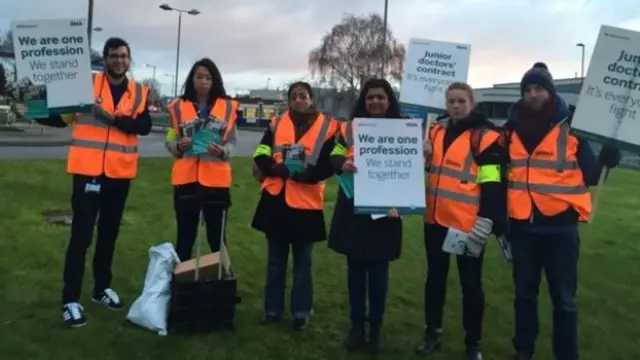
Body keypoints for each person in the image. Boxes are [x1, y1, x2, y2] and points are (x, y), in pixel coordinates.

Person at [33, 37, 152, 327]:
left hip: (119, 175)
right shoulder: (86, 84)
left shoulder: (138, 92)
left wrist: (112, 119)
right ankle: (70, 299)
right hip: (88, 172)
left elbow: (145, 125)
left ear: (130, 59)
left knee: (108, 236)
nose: (119, 61)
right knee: (81, 238)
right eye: (114, 56)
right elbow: (62, 117)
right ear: (105, 59)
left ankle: (101, 289)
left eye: (124, 56)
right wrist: (32, 108)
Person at [503, 63, 618, 360]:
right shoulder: (511, 128)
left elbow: (592, 175)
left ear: (550, 92)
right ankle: (523, 351)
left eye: (539, 88)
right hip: (523, 228)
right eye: (527, 90)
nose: (532, 94)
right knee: (524, 296)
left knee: (564, 301)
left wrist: (608, 158)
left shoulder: (572, 128)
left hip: (560, 230)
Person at [415, 82, 506, 360]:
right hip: (435, 221)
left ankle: (473, 342)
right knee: (435, 280)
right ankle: (433, 331)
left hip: (466, 226)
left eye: (461, 101)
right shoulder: (436, 131)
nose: (455, 105)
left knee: (470, 284)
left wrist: (486, 220)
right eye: (451, 101)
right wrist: (424, 157)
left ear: (471, 102)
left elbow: (492, 182)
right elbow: (433, 169)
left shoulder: (486, 137)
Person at [251, 82, 340, 330]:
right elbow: (261, 150)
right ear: (289, 100)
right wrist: (274, 167)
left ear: (311, 99)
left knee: (303, 265)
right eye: (294, 96)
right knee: (275, 262)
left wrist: (308, 175)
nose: (298, 100)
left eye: (303, 96)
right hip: (277, 200)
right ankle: (272, 309)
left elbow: (330, 164)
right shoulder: (277, 123)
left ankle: (301, 312)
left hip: (306, 202)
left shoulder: (328, 126)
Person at [327, 78, 403, 354]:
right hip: (354, 208)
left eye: (380, 97)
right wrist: (341, 162)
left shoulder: (403, 129)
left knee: (380, 273)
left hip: (388, 211)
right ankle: (357, 326)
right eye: (370, 97)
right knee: (356, 271)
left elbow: (410, 169)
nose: (375, 102)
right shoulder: (349, 129)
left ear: (389, 100)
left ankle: (376, 328)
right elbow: (333, 154)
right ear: (363, 100)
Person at [163, 58, 239, 261]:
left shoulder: (227, 107)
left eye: (208, 77)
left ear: (214, 81)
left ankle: (220, 284)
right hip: (186, 181)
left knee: (217, 239)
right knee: (185, 238)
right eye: (199, 77)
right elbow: (170, 137)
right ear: (192, 79)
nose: (203, 81)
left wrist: (223, 152)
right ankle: (182, 286)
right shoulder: (178, 107)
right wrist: (176, 147)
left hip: (216, 182)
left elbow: (232, 141)